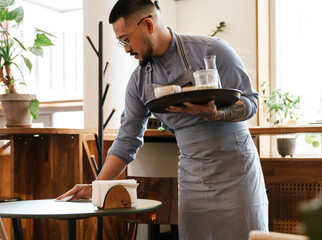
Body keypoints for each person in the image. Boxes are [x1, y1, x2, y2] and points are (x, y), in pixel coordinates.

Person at [57, 0, 268, 239]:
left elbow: (251, 103)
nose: (126, 49)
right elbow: (127, 141)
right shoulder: (138, 82)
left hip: (236, 172)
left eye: (126, 39)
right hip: (192, 176)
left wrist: (217, 114)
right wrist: (97, 185)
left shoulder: (213, 50)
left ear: (147, 24)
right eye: (121, 42)